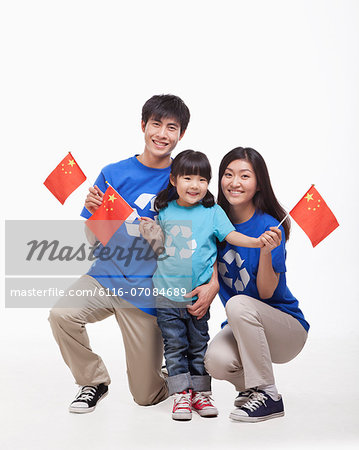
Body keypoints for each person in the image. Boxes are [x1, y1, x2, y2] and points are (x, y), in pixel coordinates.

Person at [48, 95, 219, 414]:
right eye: (156, 124)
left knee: (146, 395)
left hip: (148, 292)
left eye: (172, 127)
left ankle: (174, 377)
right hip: (104, 278)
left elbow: (198, 245)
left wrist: (161, 241)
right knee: (61, 315)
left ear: (181, 135)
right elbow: (94, 240)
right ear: (143, 126)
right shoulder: (113, 172)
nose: (162, 134)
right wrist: (94, 213)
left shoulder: (183, 182)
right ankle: (93, 381)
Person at [139, 150, 272, 421]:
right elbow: (157, 250)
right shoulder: (163, 209)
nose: (195, 185)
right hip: (166, 294)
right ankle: (181, 395)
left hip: (198, 294)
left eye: (202, 179)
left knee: (198, 345)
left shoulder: (213, 211)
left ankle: (201, 394)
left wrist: (257, 242)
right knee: (174, 346)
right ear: (174, 180)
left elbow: (232, 235)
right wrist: (150, 235)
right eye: (187, 178)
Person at [204, 147, 309, 423]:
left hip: (285, 329)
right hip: (243, 328)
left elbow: (265, 293)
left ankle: (269, 394)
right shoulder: (214, 222)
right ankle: (250, 391)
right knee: (215, 359)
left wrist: (265, 251)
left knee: (238, 304)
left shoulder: (270, 226)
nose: (234, 182)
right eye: (228, 174)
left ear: (259, 182)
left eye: (244, 176)